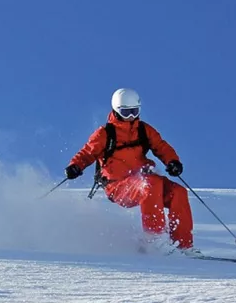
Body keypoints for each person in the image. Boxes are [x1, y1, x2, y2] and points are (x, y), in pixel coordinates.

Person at [65, 87, 195, 250]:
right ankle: (153, 241)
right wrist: (75, 166)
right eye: (126, 113)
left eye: (134, 111)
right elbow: (87, 152)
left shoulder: (144, 130)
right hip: (118, 186)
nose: (131, 117)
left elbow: (161, 146)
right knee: (150, 183)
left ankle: (183, 245)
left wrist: (172, 161)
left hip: (143, 180)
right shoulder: (105, 133)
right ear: (116, 110)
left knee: (178, 193)